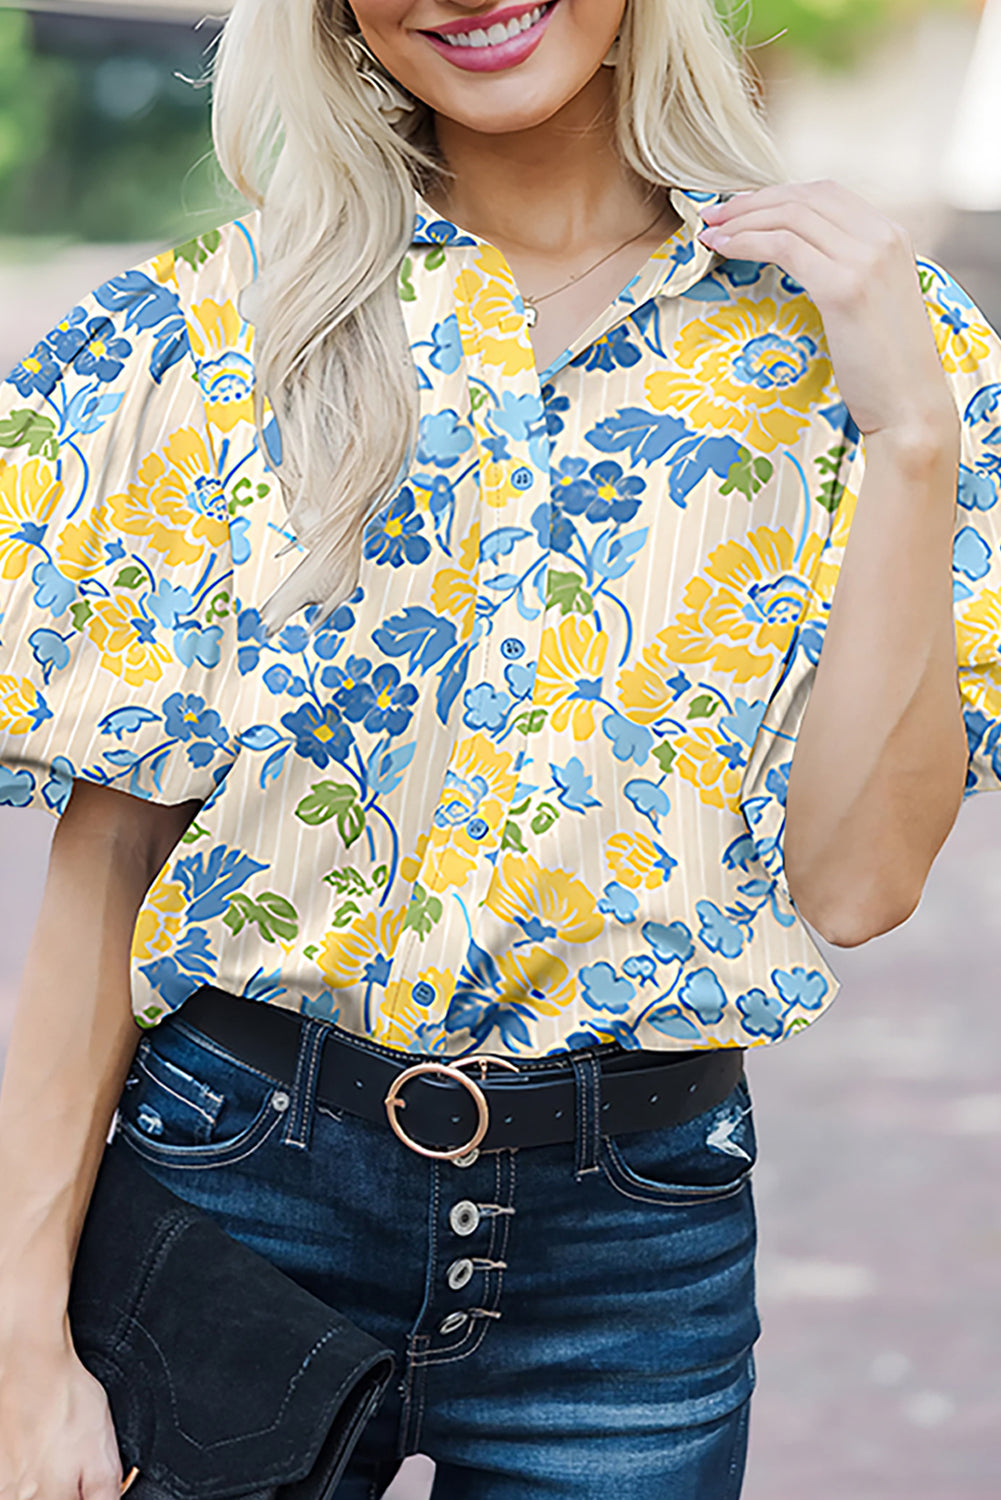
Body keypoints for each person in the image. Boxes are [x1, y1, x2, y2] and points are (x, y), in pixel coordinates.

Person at [0, 0, 998, 1495]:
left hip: (632, 1253)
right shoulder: (212, 334)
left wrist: (906, 437)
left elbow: (855, 887)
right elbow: (108, 871)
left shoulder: (863, 344)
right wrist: (20, 1348)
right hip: (235, 1186)